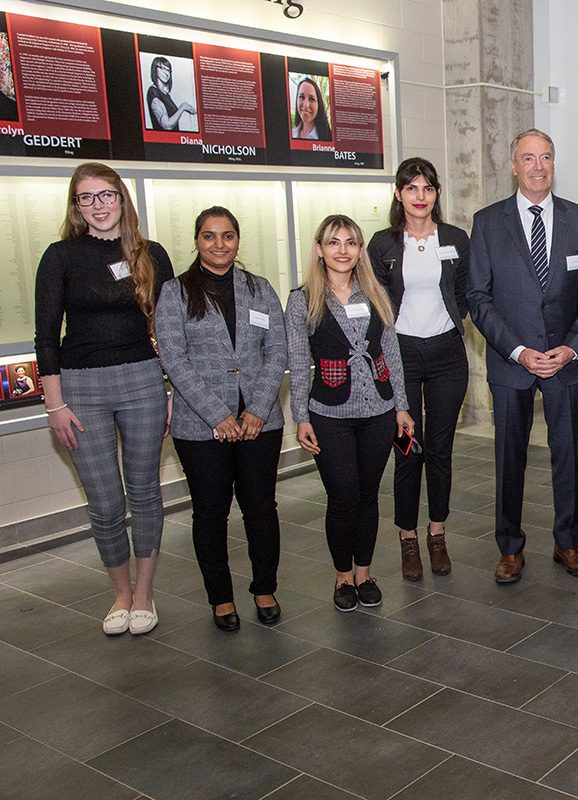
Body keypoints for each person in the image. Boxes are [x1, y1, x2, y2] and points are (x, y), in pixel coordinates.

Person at [34, 162, 174, 635]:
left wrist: (171, 389)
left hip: (142, 382)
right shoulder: (60, 257)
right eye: (86, 198)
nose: (98, 205)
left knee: (145, 494)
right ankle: (119, 593)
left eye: (106, 195)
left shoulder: (151, 253)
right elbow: (46, 337)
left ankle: (144, 593)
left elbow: (170, 332)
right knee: (105, 502)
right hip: (80, 388)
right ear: (76, 207)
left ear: (122, 198)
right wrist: (55, 405)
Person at [467, 128, 578, 584]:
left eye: (546, 157)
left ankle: (567, 542)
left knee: (567, 455)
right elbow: (479, 298)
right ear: (513, 166)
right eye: (528, 158)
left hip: (567, 363)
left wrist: (570, 348)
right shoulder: (488, 222)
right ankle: (509, 548)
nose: (538, 166)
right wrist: (520, 351)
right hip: (512, 365)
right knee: (510, 458)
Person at [155, 207, 287, 632]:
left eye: (227, 236)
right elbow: (173, 359)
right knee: (210, 514)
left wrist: (257, 409)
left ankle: (264, 588)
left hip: (258, 425)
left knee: (261, 509)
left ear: (237, 240)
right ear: (196, 240)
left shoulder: (259, 289)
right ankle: (221, 598)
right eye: (209, 236)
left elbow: (277, 353)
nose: (219, 244)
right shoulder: (175, 293)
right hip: (200, 428)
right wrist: (217, 414)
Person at [285, 214, 415, 611]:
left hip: (378, 410)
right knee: (342, 497)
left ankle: (364, 572)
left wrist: (401, 407)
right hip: (329, 412)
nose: (343, 250)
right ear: (320, 249)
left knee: (368, 495)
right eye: (334, 242)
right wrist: (301, 415)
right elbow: (297, 357)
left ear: (360, 250)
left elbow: (390, 351)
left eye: (351, 242)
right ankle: (342, 576)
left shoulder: (374, 293)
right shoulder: (302, 298)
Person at [368, 158, 470, 581]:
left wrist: (454, 320)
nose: (420, 196)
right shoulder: (382, 243)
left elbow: (465, 292)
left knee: (441, 450)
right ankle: (408, 538)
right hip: (402, 353)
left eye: (428, 188)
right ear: (398, 194)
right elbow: (374, 303)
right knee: (409, 450)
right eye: (411, 188)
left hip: (447, 354)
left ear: (436, 193)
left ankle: (437, 533)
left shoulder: (455, 238)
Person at [145, 56, 196, 132]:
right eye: (163, 69)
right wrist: (182, 107)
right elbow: (167, 125)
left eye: (168, 70)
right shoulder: (153, 92)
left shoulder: (166, 94)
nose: (166, 73)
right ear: (155, 69)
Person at [291, 77, 331, 141]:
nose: (306, 105)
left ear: (319, 105)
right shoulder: (291, 133)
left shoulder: (328, 138)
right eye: (302, 97)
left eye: (311, 99)